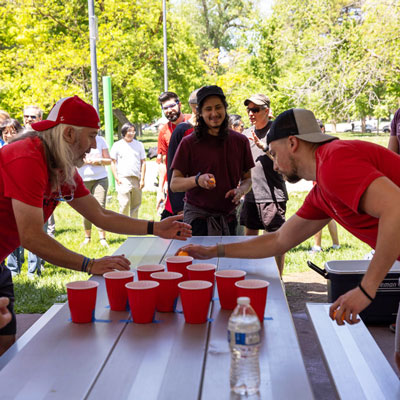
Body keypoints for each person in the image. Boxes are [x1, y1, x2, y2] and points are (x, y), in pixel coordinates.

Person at [0, 95, 191, 354]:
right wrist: (89, 264)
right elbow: (31, 236)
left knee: (6, 347)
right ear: (68, 133)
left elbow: (101, 215)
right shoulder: (26, 157)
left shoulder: (62, 167)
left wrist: (155, 228)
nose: (93, 146)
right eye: (91, 136)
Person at [178, 107, 400, 326]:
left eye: (274, 154)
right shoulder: (322, 190)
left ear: (293, 143)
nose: (274, 165)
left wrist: (365, 289)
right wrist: (214, 251)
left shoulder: (334, 160)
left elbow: (396, 207)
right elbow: (278, 240)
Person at [170, 85, 254, 235]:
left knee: (228, 259)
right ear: (200, 112)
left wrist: (240, 190)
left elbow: (247, 179)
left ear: (225, 109)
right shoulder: (189, 143)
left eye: (218, 107)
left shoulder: (240, 141)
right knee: (198, 259)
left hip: (228, 218)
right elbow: (175, 184)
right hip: (197, 221)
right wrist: (197, 180)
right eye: (208, 109)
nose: (214, 113)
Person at [240, 94, 288, 275]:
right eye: (249, 110)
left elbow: (284, 162)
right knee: (249, 240)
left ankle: (278, 279)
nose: (251, 113)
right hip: (251, 195)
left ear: (267, 111)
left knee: (275, 240)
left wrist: (264, 148)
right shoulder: (245, 134)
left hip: (273, 195)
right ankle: (250, 275)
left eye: (255, 110)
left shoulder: (277, 132)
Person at [166, 89, 199, 216]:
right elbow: (172, 169)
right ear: (195, 108)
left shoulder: (213, 131)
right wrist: (179, 206)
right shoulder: (183, 130)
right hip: (186, 201)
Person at [156, 92, 190, 216]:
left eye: (172, 106)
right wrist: (160, 190)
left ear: (179, 104)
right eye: (165, 108)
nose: (169, 110)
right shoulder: (164, 131)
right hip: (175, 186)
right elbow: (164, 163)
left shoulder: (193, 123)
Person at [310, 120, 340, 253]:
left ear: (322, 129)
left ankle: (317, 246)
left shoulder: (323, 143)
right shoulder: (322, 142)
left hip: (322, 182)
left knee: (318, 214)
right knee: (329, 216)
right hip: (321, 181)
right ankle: (336, 244)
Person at [78, 134, 112, 247]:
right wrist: (86, 162)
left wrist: (99, 161)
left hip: (100, 179)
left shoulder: (101, 140)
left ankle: (102, 238)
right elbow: (73, 162)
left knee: (100, 207)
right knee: (85, 209)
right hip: (83, 179)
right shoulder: (78, 139)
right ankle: (87, 237)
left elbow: (109, 161)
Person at [110, 122, 146, 218]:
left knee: (136, 204)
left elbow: (143, 162)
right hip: (123, 178)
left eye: (133, 131)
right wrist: (116, 177)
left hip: (136, 178)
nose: (131, 133)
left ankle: (134, 226)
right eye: (129, 131)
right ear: (124, 132)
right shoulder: (117, 145)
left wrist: (142, 179)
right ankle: (123, 224)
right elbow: (112, 162)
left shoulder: (139, 145)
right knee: (124, 203)